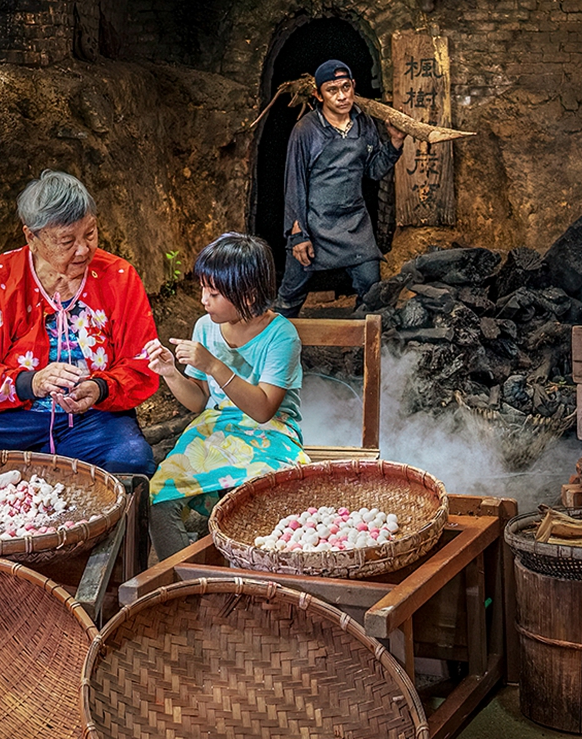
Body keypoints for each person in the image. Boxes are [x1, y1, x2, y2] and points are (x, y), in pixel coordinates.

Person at [0, 170, 157, 475]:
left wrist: (99, 387)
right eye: (67, 241)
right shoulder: (1, 277)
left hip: (92, 419)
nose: (83, 249)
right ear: (31, 237)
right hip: (10, 418)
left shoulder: (118, 277)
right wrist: (30, 383)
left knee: (131, 461)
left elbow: (141, 364)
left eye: (90, 234)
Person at [144, 233, 310, 559]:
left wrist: (213, 364)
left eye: (214, 292)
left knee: (261, 498)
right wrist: (170, 374)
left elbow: (263, 410)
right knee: (158, 498)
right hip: (216, 426)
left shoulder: (281, 336)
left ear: (247, 296)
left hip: (271, 432)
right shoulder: (205, 326)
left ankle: (250, 580)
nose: (204, 300)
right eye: (203, 289)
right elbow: (200, 402)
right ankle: (181, 583)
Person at [275, 58, 406, 315]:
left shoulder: (364, 123)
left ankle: (362, 350)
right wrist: (297, 235)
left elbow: (374, 171)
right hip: (314, 225)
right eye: (332, 90)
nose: (342, 96)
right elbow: (294, 185)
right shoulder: (306, 130)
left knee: (372, 290)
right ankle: (270, 348)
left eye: (346, 87)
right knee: (290, 296)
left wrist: (394, 144)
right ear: (318, 95)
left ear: (353, 86)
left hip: (355, 225)